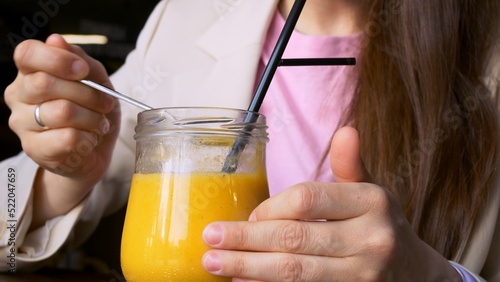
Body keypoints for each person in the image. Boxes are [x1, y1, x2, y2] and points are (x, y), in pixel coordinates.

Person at [1, 0, 499, 280]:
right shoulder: (189, 18)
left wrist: (431, 277)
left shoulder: (488, 52)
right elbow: (5, 231)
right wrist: (66, 176)